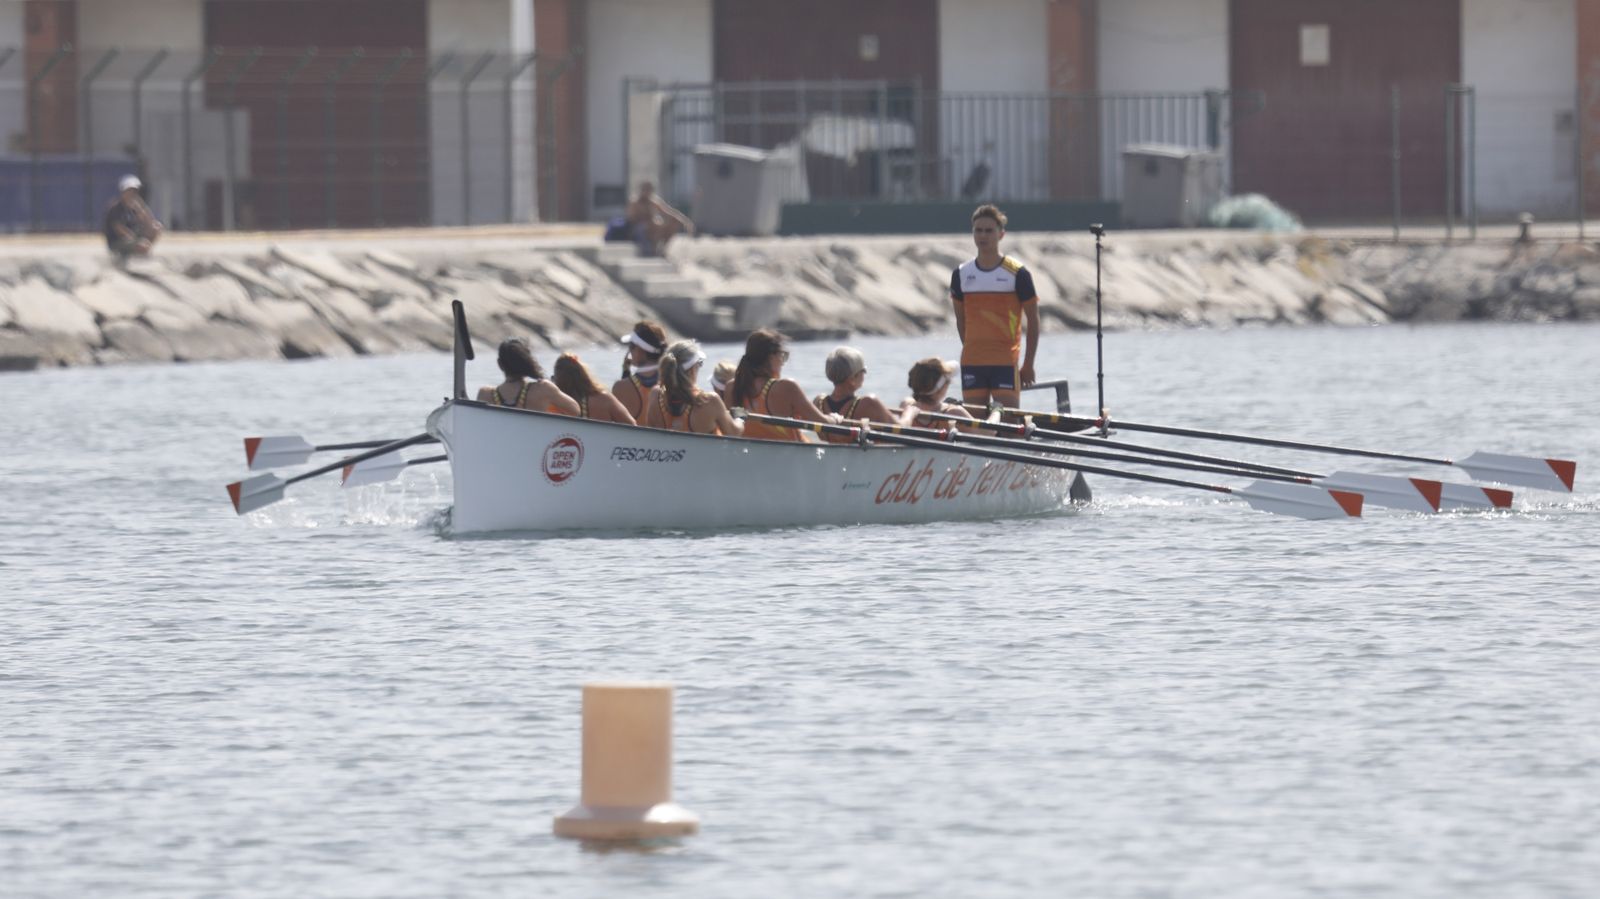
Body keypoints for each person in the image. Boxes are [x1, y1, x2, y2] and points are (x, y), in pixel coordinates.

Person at [950, 203, 1040, 410]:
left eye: (989, 230)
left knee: (1008, 427)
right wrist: (973, 348)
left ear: (1001, 234)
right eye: (978, 230)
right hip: (972, 362)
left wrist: (1028, 364)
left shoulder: (1018, 273)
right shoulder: (961, 274)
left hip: (1005, 362)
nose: (983, 236)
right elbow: (961, 320)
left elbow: (1033, 322)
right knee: (976, 430)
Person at [726, 328, 839, 442]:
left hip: (748, 455)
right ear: (771, 357)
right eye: (782, 355)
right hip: (793, 457)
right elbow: (822, 423)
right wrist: (835, 418)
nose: (783, 362)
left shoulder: (732, 388)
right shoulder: (786, 387)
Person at [643, 340, 742, 436]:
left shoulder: (655, 395)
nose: (699, 367)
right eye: (700, 363)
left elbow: (651, 435)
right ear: (691, 371)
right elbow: (734, 433)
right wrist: (739, 417)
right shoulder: (710, 401)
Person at [477, 338, 581, 416]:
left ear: (499, 364)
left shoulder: (485, 395)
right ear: (527, 362)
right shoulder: (543, 389)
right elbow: (576, 411)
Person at [813, 346, 895, 442]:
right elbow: (900, 427)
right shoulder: (869, 402)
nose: (864, 375)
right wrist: (910, 412)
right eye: (863, 371)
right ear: (852, 379)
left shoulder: (818, 402)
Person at [553, 352, 637, 425]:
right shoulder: (604, 399)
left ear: (559, 380)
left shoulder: (553, 403)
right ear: (583, 374)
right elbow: (631, 425)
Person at [898, 357, 975, 430]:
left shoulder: (905, 405)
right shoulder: (955, 413)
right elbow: (986, 433)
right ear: (941, 388)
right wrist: (988, 415)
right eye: (948, 382)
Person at [612, 320, 668, 421]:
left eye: (631, 346)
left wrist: (625, 374)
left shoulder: (621, 387)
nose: (629, 351)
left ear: (639, 349)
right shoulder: (674, 382)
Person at [625, 181, 695, 256]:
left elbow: (669, 211)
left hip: (651, 226)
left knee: (672, 222)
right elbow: (631, 219)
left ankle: (662, 248)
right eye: (645, 189)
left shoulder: (653, 201)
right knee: (656, 225)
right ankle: (652, 249)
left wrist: (685, 221)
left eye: (648, 189)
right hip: (638, 228)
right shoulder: (634, 202)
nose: (646, 192)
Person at [103, 174, 162, 260]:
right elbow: (119, 229)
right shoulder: (115, 208)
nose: (132, 194)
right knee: (142, 245)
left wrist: (141, 208)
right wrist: (136, 241)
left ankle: (138, 253)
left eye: (134, 191)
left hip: (132, 238)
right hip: (118, 241)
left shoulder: (133, 207)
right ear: (123, 192)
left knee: (156, 227)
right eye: (129, 191)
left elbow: (149, 222)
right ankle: (130, 254)